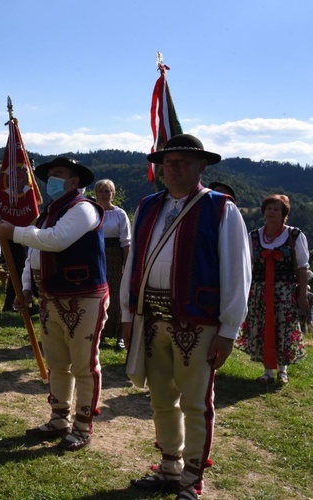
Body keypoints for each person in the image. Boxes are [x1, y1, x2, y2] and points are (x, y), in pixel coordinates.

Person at [121, 134, 251, 500]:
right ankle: (169, 466)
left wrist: (228, 329)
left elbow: (237, 273)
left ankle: (193, 478)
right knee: (161, 397)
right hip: (151, 320)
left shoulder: (220, 208)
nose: (172, 168)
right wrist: (128, 316)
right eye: (167, 162)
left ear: (201, 167)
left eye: (182, 162)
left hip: (199, 321)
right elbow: (134, 265)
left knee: (195, 402)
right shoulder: (147, 206)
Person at [0, 156, 108, 452]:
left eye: (58, 174)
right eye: (50, 175)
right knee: (57, 364)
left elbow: (56, 240)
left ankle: (82, 426)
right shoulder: (48, 214)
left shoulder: (83, 209)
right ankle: (59, 418)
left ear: (74, 182)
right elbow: (35, 253)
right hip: (51, 297)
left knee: (83, 364)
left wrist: (14, 233)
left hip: (84, 296)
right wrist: (27, 288)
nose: (51, 179)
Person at [236, 194, 308, 384]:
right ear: (263, 212)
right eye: (269, 208)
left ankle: (282, 370)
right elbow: (247, 266)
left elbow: (302, 267)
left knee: (283, 327)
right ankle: (268, 371)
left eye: (276, 209)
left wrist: (302, 296)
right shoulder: (254, 236)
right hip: (260, 291)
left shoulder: (295, 235)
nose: (272, 212)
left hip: (284, 292)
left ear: (284, 214)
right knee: (263, 327)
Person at [94, 179, 131, 350]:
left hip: (115, 257)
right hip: (95, 256)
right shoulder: (91, 212)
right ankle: (98, 333)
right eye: (101, 191)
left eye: (107, 191)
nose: (104, 194)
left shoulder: (120, 214)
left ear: (113, 193)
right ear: (96, 193)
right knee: (97, 296)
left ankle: (119, 335)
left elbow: (126, 242)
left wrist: (126, 264)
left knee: (117, 295)